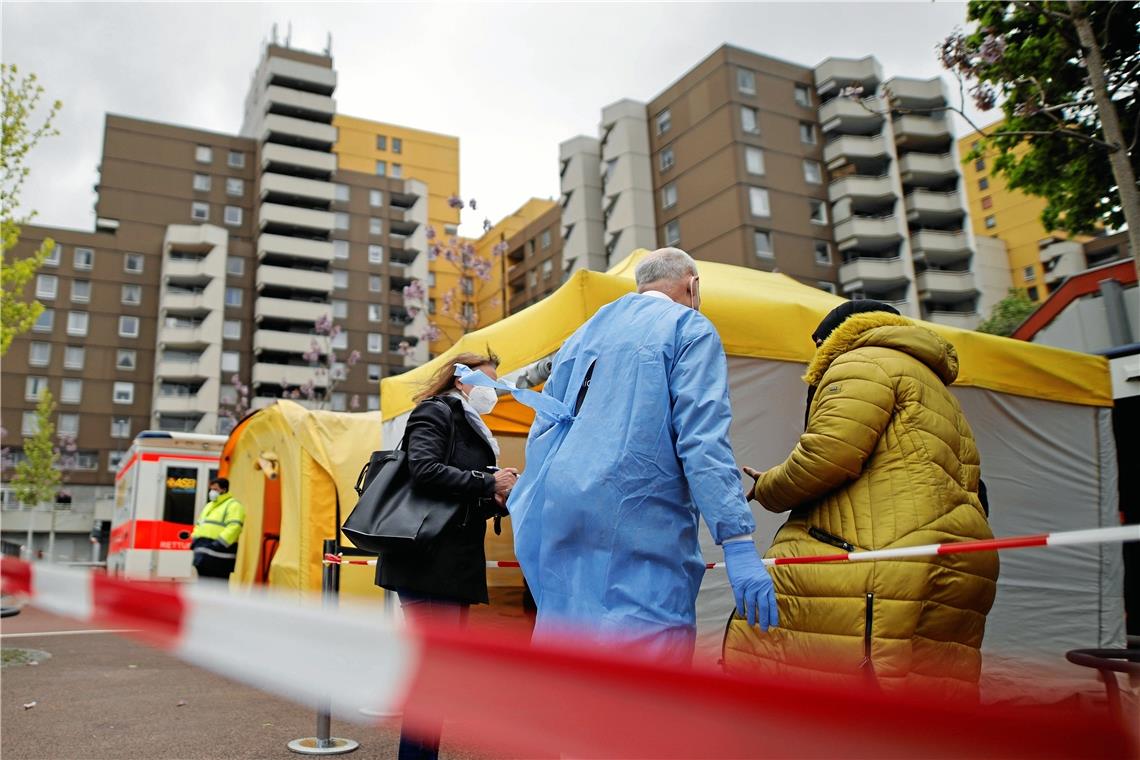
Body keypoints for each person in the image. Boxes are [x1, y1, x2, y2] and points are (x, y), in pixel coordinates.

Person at [508, 247, 777, 665]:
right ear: (693, 285)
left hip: (563, 513)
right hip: (640, 516)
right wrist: (737, 540)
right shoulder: (688, 328)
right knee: (646, 677)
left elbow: (543, 432)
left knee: (570, 663)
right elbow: (702, 440)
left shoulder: (582, 336)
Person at [725, 300, 999, 700]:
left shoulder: (861, 362)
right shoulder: (932, 384)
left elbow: (829, 453)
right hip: (959, 558)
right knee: (932, 703)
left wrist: (768, 488)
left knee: (840, 699)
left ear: (832, 338)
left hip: (882, 557)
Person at [375, 351, 517, 760]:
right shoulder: (436, 413)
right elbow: (424, 470)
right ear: (461, 381)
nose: (493, 393)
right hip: (425, 562)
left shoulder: (472, 424)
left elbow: (461, 497)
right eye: (487, 383)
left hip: (449, 563)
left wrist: (500, 497)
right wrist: (487, 480)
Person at [190, 478, 245, 579]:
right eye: (211, 489)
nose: (212, 492)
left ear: (224, 490)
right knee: (203, 585)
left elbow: (235, 527)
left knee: (219, 586)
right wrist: (195, 539)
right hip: (203, 552)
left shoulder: (233, 505)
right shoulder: (209, 506)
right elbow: (199, 525)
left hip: (220, 554)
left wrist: (218, 544)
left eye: (215, 489)